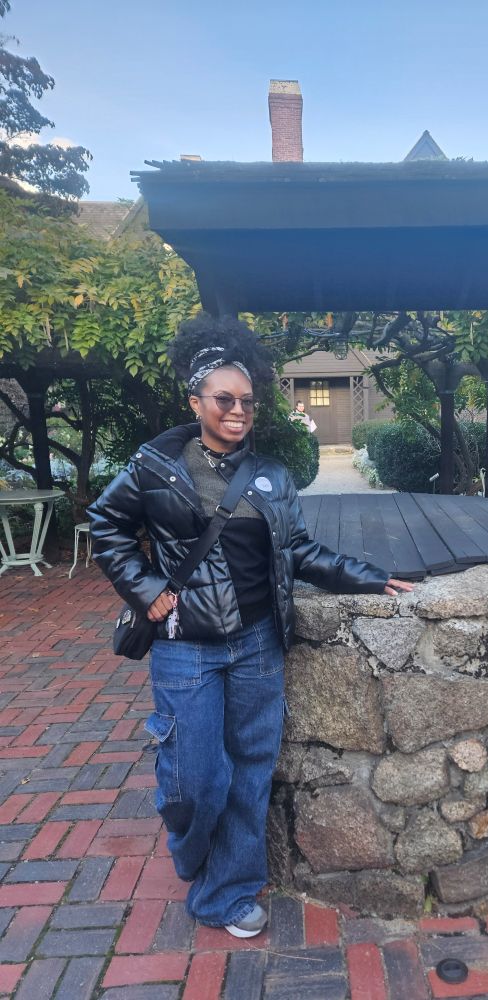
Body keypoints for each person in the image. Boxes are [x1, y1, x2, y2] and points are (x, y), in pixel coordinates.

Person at [88, 314, 412, 939]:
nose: (238, 411)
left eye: (247, 402)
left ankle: (226, 893)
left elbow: (297, 551)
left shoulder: (271, 476)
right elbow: (107, 526)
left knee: (249, 769)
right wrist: (147, 588)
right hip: (186, 648)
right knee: (195, 780)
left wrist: (368, 577)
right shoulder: (154, 468)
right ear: (196, 401)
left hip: (258, 643)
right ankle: (192, 850)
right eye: (224, 399)